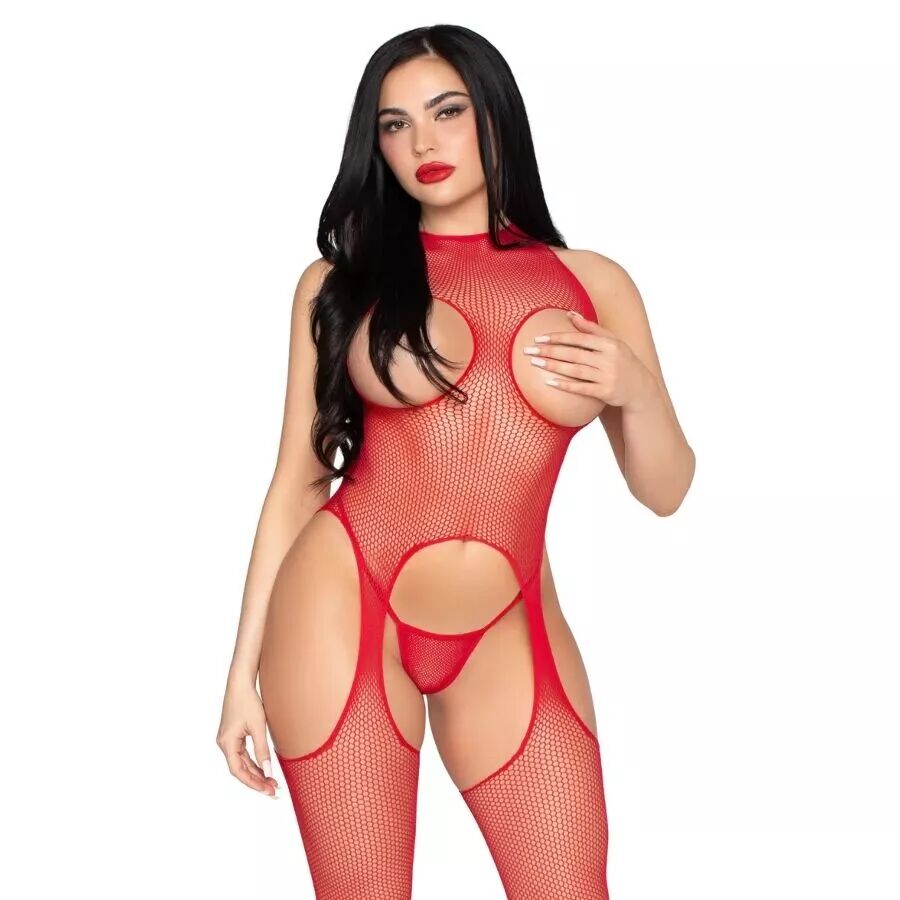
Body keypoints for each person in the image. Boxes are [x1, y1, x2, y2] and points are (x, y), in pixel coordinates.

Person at [216, 24, 695, 900]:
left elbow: (665, 491)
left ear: (495, 115)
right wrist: (239, 675)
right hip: (345, 604)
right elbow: (297, 481)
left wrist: (636, 390)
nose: (422, 144)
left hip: (511, 625)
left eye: (447, 112)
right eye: (394, 125)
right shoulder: (338, 285)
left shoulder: (594, 283)